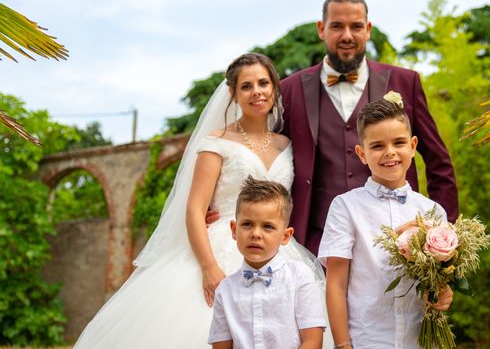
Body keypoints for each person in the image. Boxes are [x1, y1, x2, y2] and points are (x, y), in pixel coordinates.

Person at [74, 53, 326, 349]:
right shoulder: (216, 143)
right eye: (246, 86)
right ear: (233, 93)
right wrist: (209, 267)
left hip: (277, 248)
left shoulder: (287, 145)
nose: (256, 92)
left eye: (263, 83)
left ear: (274, 89)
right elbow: (195, 209)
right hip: (221, 245)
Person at [281, 0, 458, 255]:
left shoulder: (404, 82)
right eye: (337, 26)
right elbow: (265, 156)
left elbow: (439, 164)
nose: (347, 36)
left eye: (356, 26)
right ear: (321, 28)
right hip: (316, 242)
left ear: (368, 29)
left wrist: (439, 233)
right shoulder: (289, 90)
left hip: (398, 240)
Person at [318, 96, 453, 348]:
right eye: (377, 146)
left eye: (399, 142)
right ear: (362, 153)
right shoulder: (345, 207)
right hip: (367, 338)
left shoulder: (433, 211)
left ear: (413, 146)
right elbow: (335, 283)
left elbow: (440, 282)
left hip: (420, 338)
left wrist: (444, 294)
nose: (390, 152)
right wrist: (343, 344)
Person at [209, 176, 325, 349]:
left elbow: (313, 341)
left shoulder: (299, 277)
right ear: (234, 230)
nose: (256, 234)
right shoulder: (225, 290)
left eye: (268, 226)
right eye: (247, 224)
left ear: (286, 236)